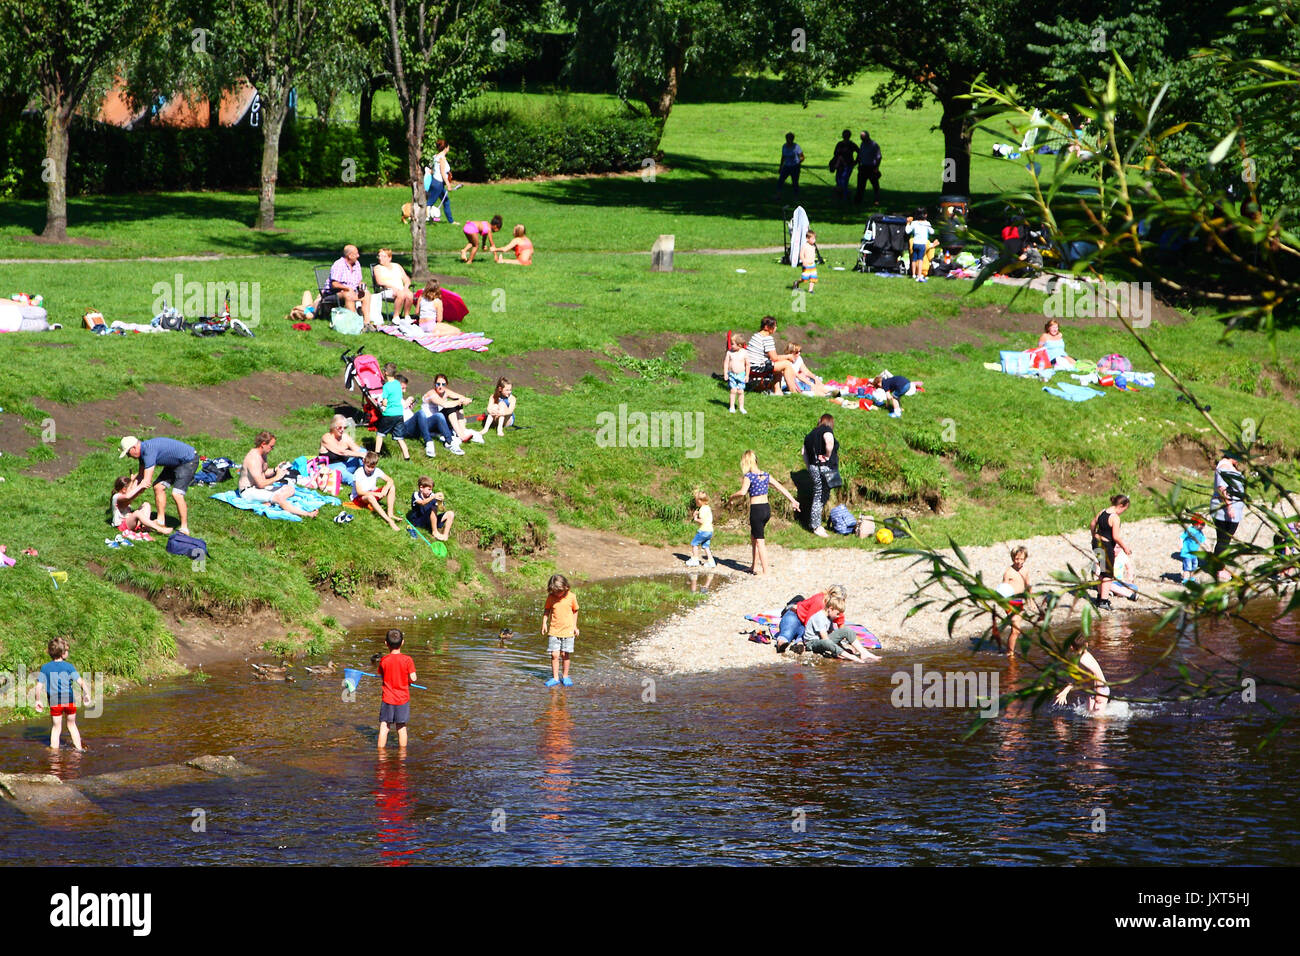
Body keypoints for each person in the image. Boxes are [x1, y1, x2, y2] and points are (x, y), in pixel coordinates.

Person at [728, 450, 800, 576]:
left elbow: (743, 492)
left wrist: (731, 497)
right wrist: (793, 500)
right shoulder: (766, 475)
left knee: (760, 541)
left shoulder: (749, 476)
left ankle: (765, 571)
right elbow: (780, 487)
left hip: (756, 510)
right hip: (766, 509)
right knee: (754, 537)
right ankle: (753, 566)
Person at [120, 435, 200, 536]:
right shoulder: (142, 454)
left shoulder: (148, 452)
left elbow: (146, 482)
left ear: (134, 448)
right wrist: (130, 490)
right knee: (158, 487)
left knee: (177, 494)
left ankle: (184, 528)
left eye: (128, 453)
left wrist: (127, 500)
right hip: (174, 463)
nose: (128, 456)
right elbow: (140, 477)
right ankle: (160, 521)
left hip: (188, 460)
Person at [238, 431, 319, 518]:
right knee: (279, 498)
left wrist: (276, 469)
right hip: (248, 491)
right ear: (263, 444)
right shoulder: (254, 459)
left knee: (290, 489)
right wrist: (277, 477)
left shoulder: (263, 453)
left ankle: (270, 500)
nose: (272, 449)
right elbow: (260, 484)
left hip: (258, 487)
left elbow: (262, 473)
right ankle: (307, 514)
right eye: (271, 447)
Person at [34, 636, 94, 751]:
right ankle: (79, 749)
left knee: (56, 728)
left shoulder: (45, 668)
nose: (68, 652)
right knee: (72, 725)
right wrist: (86, 695)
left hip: (55, 701)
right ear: (62, 653)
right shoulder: (69, 666)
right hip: (69, 700)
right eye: (66, 650)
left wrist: (38, 700)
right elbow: (81, 682)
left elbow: (38, 686)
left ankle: (54, 754)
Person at [775, 586, 847, 654]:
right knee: (788, 633)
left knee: (802, 635)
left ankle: (798, 646)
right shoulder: (820, 601)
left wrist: (841, 641)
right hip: (795, 615)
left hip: (804, 624)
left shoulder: (836, 606)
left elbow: (841, 624)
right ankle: (781, 644)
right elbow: (808, 622)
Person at [376, 628, 417, 749]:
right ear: (402, 642)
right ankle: (402, 754)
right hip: (402, 699)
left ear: (386, 643)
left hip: (388, 699)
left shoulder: (384, 660)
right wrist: (408, 681)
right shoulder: (407, 660)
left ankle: (381, 754)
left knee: (384, 727)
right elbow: (413, 678)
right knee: (401, 727)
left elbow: (381, 675)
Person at [1090, 493, 1132, 609]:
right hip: (1105, 545)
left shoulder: (1103, 511)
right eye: (1125, 509)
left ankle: (1099, 597)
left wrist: (1094, 536)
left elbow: (1092, 523)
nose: (1123, 512)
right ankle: (1104, 601)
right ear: (1121, 506)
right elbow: (1116, 537)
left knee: (1102, 570)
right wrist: (1125, 547)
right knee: (1108, 574)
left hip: (1096, 543)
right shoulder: (1115, 518)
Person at [802, 413, 840, 538]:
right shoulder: (827, 430)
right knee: (820, 496)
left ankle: (816, 522)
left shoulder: (810, 435)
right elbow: (829, 442)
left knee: (822, 493)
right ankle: (816, 526)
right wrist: (828, 456)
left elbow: (804, 453)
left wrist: (809, 466)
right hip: (825, 467)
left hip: (814, 466)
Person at [1053, 636, 1111, 715]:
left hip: (1100, 689)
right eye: (1075, 649)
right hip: (1093, 690)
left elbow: (1096, 674)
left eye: (1077, 649)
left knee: (1098, 719)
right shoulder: (1079, 658)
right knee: (1090, 715)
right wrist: (1065, 691)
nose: (1076, 652)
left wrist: (1098, 694)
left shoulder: (1084, 659)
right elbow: (1076, 678)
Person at [745, 316, 801, 395]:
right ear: (767, 327)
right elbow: (774, 358)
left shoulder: (756, 336)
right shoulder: (767, 338)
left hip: (750, 367)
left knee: (778, 367)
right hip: (758, 368)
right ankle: (794, 393)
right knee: (786, 364)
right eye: (774, 326)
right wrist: (788, 356)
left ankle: (777, 391)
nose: (776, 328)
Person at [542, 573, 579, 688]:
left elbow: (575, 611)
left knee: (565, 654)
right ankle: (555, 677)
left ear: (566, 587)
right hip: (554, 630)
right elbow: (547, 610)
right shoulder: (551, 597)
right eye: (554, 592)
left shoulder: (571, 597)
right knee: (554, 654)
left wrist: (574, 626)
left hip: (568, 630)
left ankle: (566, 676)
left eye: (559, 592)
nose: (557, 595)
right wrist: (544, 623)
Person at [421, 374, 480, 447]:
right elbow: (445, 404)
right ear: (434, 384)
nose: (440, 386)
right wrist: (460, 401)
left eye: (443, 384)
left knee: (457, 404)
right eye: (438, 384)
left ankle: (462, 430)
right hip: (429, 423)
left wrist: (466, 400)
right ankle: (461, 435)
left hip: (439, 420)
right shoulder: (431, 393)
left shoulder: (445, 391)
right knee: (450, 406)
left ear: (446, 385)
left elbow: (460, 397)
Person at [1210, 455, 1246, 572]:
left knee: (1224, 540)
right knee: (1224, 540)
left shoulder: (1228, 466)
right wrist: (1229, 507)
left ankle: (1219, 566)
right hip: (1225, 511)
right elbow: (1222, 488)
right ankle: (1219, 569)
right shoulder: (1224, 467)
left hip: (1229, 510)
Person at [352, 451, 401, 531]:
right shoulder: (358, 472)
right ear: (363, 462)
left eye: (372, 467)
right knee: (371, 497)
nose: (370, 469)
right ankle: (389, 521)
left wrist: (384, 490)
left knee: (392, 487)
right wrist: (375, 493)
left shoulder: (377, 471)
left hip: (371, 493)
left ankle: (390, 514)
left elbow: (390, 480)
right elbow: (359, 492)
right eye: (368, 466)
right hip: (359, 498)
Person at [372, 364, 413, 459]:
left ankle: (376, 454)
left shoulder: (386, 386)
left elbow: (385, 402)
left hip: (389, 414)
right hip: (399, 414)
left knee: (380, 434)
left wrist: (382, 404)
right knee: (400, 438)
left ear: (385, 373)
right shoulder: (398, 385)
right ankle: (407, 457)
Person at [997, 546, 1031, 657]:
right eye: (1017, 559)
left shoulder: (1025, 571)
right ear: (1013, 558)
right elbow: (1003, 588)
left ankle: (1009, 650)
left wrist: (1030, 600)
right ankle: (1010, 653)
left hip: (1019, 602)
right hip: (1010, 602)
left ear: (1025, 559)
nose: (1019, 562)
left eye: (1021, 559)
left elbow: (1028, 586)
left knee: (1016, 630)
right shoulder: (1008, 572)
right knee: (1016, 629)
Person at [329, 244, 373, 325]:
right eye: (356, 254)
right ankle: (354, 322)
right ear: (349, 255)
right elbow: (334, 284)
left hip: (353, 291)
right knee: (348, 295)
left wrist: (361, 286)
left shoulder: (357, 264)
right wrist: (347, 288)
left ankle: (367, 322)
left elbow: (359, 281)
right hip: (336, 293)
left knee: (366, 294)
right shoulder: (339, 265)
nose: (358, 256)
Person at [407, 475, 455, 541]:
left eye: (431, 489)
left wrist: (440, 502)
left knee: (450, 513)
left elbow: (442, 509)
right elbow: (422, 502)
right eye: (429, 489)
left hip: (430, 521)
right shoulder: (416, 494)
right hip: (418, 520)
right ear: (421, 488)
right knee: (433, 508)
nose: (430, 491)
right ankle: (435, 532)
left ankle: (445, 536)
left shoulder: (432, 495)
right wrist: (433, 497)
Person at [372, 248, 415, 321]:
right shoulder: (377, 268)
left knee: (409, 294)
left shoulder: (397, 266)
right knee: (400, 294)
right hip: (386, 290)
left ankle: (407, 316)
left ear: (389, 258)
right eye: (379, 256)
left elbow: (406, 279)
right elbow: (380, 282)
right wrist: (392, 287)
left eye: (383, 256)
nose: (380, 258)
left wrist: (406, 287)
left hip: (400, 289)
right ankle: (396, 317)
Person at [809, 626, 882, 662]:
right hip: (813, 643)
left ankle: (864, 652)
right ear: (830, 609)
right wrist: (843, 653)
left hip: (824, 641)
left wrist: (844, 648)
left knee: (847, 630)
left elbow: (834, 636)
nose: (838, 616)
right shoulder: (820, 617)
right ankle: (853, 657)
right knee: (827, 642)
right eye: (837, 613)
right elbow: (826, 641)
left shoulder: (829, 617)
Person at [425, 139, 456, 224]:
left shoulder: (436, 156)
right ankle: (424, 218)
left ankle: (451, 221)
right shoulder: (442, 158)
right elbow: (442, 172)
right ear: (446, 147)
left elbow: (432, 169)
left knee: (446, 201)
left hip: (437, 183)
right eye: (448, 146)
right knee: (430, 202)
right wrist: (448, 184)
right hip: (438, 183)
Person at [686, 489, 715, 568]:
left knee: (694, 543)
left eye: (696, 501)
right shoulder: (708, 507)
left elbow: (702, 521)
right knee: (706, 546)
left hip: (703, 530)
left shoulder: (702, 509)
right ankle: (711, 561)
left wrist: (695, 517)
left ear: (699, 501)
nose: (696, 503)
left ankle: (695, 560)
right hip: (710, 531)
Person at [723, 333, 750, 413]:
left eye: (732, 344)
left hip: (741, 375)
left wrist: (747, 375)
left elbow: (748, 365)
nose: (731, 346)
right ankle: (731, 407)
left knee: (741, 391)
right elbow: (726, 363)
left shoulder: (744, 353)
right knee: (733, 390)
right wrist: (725, 373)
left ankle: (741, 407)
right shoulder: (729, 352)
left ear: (739, 345)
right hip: (732, 374)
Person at [906, 208, 934, 282]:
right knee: (920, 260)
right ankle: (919, 275)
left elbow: (907, 231)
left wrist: (908, 223)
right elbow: (932, 232)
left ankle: (913, 274)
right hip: (922, 244)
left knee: (914, 259)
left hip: (915, 243)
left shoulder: (914, 223)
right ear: (925, 215)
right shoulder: (927, 223)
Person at [855, 130, 882, 204]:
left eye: (863, 138)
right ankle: (858, 200)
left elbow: (879, 157)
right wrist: (857, 162)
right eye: (861, 138)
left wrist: (876, 167)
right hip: (863, 167)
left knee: (875, 185)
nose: (862, 139)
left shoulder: (874, 145)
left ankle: (876, 200)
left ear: (867, 137)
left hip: (871, 167)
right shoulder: (862, 144)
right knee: (860, 185)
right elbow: (860, 155)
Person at [830, 128, 857, 201]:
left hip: (848, 166)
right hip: (840, 166)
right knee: (839, 181)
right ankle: (841, 196)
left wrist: (856, 161)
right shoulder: (840, 144)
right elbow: (836, 154)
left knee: (844, 181)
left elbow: (859, 152)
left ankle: (845, 197)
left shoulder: (851, 144)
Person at [1180, 514, 1207, 585]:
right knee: (1187, 567)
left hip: (1195, 554)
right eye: (1202, 524)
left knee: (1194, 567)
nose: (1204, 526)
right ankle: (1185, 580)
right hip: (1187, 553)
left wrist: (1207, 546)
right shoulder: (1190, 530)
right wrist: (1180, 544)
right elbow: (1182, 537)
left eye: (1204, 524)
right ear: (1196, 524)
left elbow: (1203, 540)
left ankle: (1191, 578)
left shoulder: (1200, 532)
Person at [776, 132, 804, 197]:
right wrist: (781, 166)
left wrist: (799, 162)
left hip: (795, 167)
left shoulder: (796, 147)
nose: (788, 140)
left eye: (790, 139)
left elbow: (802, 157)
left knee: (795, 182)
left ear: (792, 139)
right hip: (786, 166)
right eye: (787, 138)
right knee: (780, 181)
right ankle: (778, 195)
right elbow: (783, 157)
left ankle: (796, 196)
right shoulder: (784, 146)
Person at [793, 228, 819, 295]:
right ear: (807, 239)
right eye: (813, 239)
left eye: (815, 239)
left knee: (813, 278)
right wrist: (804, 261)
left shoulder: (813, 246)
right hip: (806, 265)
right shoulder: (804, 246)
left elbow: (813, 254)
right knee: (804, 278)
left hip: (812, 265)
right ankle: (797, 282)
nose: (814, 240)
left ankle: (810, 290)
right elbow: (801, 254)